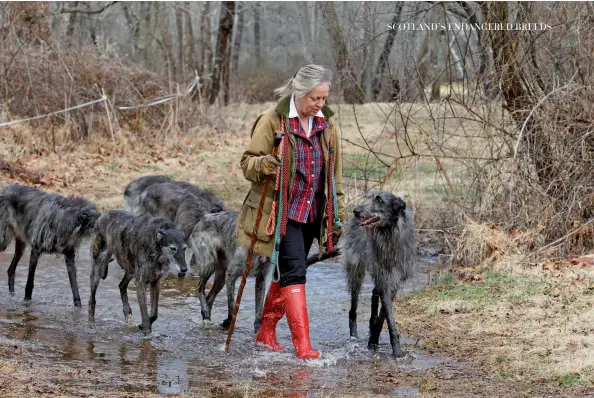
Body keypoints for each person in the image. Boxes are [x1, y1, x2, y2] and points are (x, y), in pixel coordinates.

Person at [235, 64, 345, 359]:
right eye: (315, 99)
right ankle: (304, 347)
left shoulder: (328, 126)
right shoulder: (274, 121)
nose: (320, 105)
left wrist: (336, 213)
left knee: (288, 270)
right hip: (282, 211)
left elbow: (334, 177)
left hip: (313, 212)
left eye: (324, 99)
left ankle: (266, 332)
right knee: (296, 271)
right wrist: (270, 160)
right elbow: (248, 165)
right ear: (299, 93)